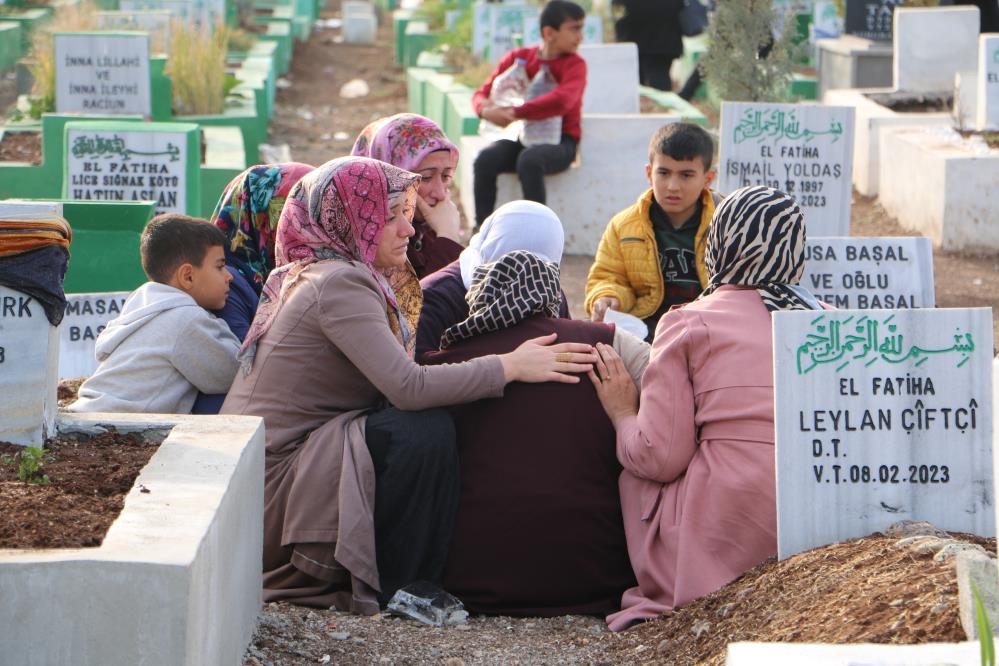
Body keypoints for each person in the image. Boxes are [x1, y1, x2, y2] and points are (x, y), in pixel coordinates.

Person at [220, 157, 598, 612]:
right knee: (422, 431)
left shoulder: (329, 271)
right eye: (391, 216)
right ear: (351, 219)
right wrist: (510, 366)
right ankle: (408, 584)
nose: (409, 230)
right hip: (280, 481)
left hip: (277, 466)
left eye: (407, 214)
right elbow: (408, 387)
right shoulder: (339, 283)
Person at [588, 186, 823, 631]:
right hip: (822, 515)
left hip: (728, 525)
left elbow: (660, 456)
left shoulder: (690, 320)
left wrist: (622, 413)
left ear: (719, 242)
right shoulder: (830, 320)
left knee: (636, 472)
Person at [423, 250, 647, 616]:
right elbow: (667, 385)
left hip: (476, 581)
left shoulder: (445, 363)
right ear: (551, 296)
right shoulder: (602, 341)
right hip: (600, 579)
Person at [68, 214, 239, 414]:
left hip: (89, 411)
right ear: (188, 276)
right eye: (220, 266)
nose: (229, 276)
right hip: (115, 424)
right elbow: (234, 373)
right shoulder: (185, 321)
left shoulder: (143, 304)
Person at [191, 162, 315, 415]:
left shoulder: (290, 272)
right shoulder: (225, 282)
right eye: (294, 215)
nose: (308, 226)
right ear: (261, 215)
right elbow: (251, 368)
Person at [585, 122, 720, 341]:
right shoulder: (624, 226)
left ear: (708, 179)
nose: (672, 186)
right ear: (649, 173)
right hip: (647, 331)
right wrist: (608, 296)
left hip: (710, 329)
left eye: (686, 175)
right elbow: (608, 277)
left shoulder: (727, 224)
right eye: (664, 173)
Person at [471, 0, 587, 227]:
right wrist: (485, 111)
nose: (580, 36)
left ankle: (540, 234)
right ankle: (481, 232)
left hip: (561, 143)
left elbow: (562, 101)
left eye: (582, 28)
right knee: (485, 160)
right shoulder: (519, 59)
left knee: (530, 160)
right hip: (522, 137)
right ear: (549, 33)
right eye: (574, 29)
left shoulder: (575, 65)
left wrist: (514, 112)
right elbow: (481, 93)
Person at [416, 200, 569, 358]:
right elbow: (416, 374)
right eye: (514, 262)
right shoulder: (434, 297)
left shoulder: (550, 293)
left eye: (538, 262)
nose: (525, 273)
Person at [352, 113, 463, 278]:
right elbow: (422, 301)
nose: (440, 193)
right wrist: (448, 238)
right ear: (388, 173)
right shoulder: (372, 241)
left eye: (446, 176)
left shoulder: (428, 228)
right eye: (425, 177)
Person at [612, 0, 683, 91]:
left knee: (636, 83)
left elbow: (618, 9)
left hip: (634, 37)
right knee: (659, 80)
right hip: (664, 37)